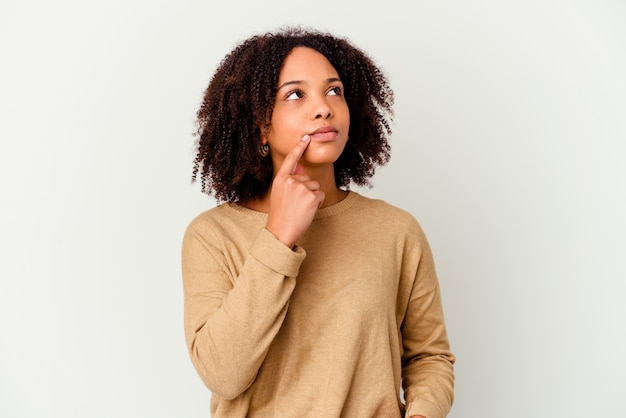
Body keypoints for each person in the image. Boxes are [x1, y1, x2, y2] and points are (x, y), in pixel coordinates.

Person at [181, 26, 455, 418]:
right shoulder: (212, 236)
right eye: (296, 94)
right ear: (261, 124)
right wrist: (278, 236)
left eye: (334, 91)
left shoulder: (396, 230)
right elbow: (223, 375)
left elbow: (429, 356)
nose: (323, 107)